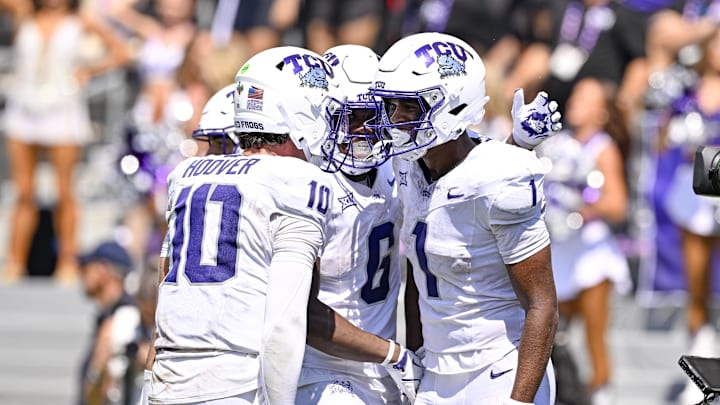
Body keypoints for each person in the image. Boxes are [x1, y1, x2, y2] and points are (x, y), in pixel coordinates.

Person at [142, 46, 342, 405]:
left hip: (167, 382)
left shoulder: (185, 174)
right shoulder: (297, 181)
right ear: (295, 111)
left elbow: (164, 289)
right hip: (233, 388)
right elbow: (284, 324)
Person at [369, 32, 559, 404]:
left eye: (410, 108)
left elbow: (543, 305)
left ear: (454, 107)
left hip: (500, 370)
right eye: (392, 107)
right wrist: (417, 357)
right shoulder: (410, 167)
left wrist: (518, 401)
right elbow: (419, 278)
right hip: (436, 373)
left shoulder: (500, 178)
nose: (396, 120)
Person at [1, 0, 129, 283]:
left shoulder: (82, 19)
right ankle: (15, 260)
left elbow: (122, 51)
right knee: (23, 191)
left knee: (64, 192)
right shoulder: (24, 13)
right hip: (24, 106)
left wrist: (89, 70)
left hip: (62, 107)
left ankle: (67, 261)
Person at [537, 77, 632, 405]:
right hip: (560, 255)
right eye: (576, 94)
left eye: (586, 98)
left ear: (602, 112)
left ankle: (601, 395)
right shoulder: (559, 143)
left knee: (594, 338)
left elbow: (618, 204)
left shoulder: (602, 147)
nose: (575, 101)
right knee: (551, 336)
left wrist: (578, 208)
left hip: (591, 257)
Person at [78, 240, 140, 405]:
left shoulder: (126, 317)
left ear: (104, 269)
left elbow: (109, 390)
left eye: (87, 267)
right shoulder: (108, 316)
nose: (82, 273)